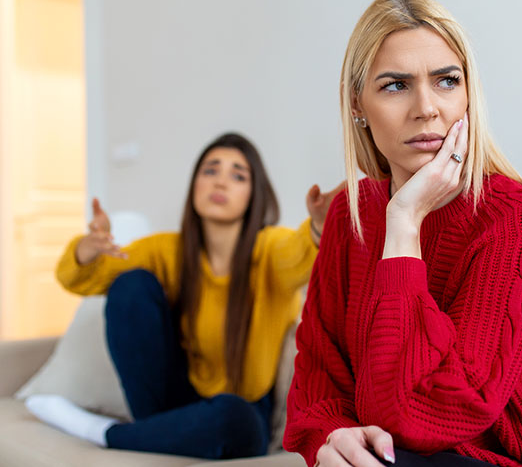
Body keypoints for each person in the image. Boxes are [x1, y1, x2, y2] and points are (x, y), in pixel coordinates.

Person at [283, 0, 522, 467]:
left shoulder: (517, 220)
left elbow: (430, 414)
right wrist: (331, 439)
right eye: (395, 85)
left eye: (445, 81)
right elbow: (317, 380)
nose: (426, 108)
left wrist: (403, 225)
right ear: (358, 104)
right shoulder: (349, 214)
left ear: (468, 94)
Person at [26, 132, 342, 460]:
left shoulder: (269, 250)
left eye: (237, 175)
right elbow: (83, 280)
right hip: (170, 399)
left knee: (236, 419)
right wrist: (86, 250)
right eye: (210, 170)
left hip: (239, 411)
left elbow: (299, 252)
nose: (220, 182)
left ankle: (102, 432)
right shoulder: (166, 251)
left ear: (254, 194)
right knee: (131, 285)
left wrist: (319, 228)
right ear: (194, 185)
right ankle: (156, 430)